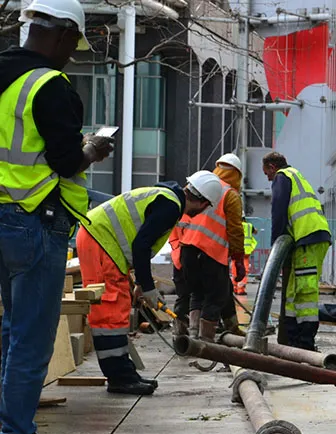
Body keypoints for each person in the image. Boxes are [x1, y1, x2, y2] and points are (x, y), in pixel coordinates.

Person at [0, 0, 114, 434]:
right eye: (73, 45)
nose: (72, 56)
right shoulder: (50, 85)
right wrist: (91, 148)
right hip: (34, 220)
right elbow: (67, 162)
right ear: (64, 34)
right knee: (30, 337)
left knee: (9, 331)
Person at [77, 172, 222, 395]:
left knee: (117, 309)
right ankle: (119, 378)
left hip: (101, 240)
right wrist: (148, 287)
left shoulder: (166, 197)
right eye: (206, 207)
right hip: (100, 241)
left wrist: (138, 283)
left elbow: (134, 238)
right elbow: (141, 246)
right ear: (202, 202)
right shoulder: (171, 206)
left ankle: (123, 373)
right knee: (110, 312)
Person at [172, 155, 245, 343]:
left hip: (186, 249)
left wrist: (177, 249)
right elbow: (235, 230)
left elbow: (180, 220)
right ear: (237, 174)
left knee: (196, 292)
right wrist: (238, 260)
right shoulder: (230, 195)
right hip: (212, 253)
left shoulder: (199, 185)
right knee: (215, 296)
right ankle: (206, 342)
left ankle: (193, 336)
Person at [263, 152, 331, 351]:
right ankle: (292, 338)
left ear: (273, 167)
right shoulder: (296, 176)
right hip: (310, 237)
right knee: (293, 289)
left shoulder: (282, 177)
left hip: (308, 238)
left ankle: (305, 342)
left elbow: (279, 212)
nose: (267, 177)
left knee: (305, 291)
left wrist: (276, 247)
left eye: (266, 172)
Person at [232, 217, 258, 295]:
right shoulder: (249, 226)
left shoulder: (234, 225)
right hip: (245, 251)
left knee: (234, 269)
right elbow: (255, 231)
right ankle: (241, 289)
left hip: (235, 250)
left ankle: (235, 288)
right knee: (244, 269)